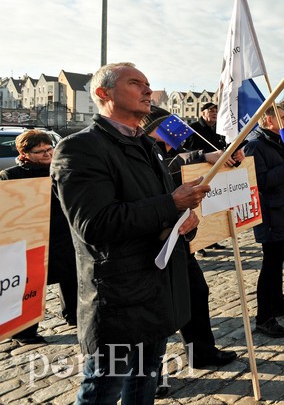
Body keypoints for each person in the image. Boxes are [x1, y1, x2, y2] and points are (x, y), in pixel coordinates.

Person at [50, 62, 209, 404]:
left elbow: (158, 211)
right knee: (101, 392)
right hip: (118, 299)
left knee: (144, 386)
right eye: (136, 83)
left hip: (156, 290)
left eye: (148, 84)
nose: (148, 90)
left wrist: (183, 222)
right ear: (103, 93)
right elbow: (95, 224)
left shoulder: (145, 146)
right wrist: (171, 204)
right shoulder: (80, 149)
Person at [139, 107, 239, 396]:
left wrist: (211, 157)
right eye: (168, 128)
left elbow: (175, 162)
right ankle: (149, 376)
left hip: (178, 241)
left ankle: (202, 352)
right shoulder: (143, 151)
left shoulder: (164, 150)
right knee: (154, 311)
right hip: (148, 246)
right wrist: (200, 156)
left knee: (197, 292)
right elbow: (170, 165)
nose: (176, 133)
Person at [1, 130, 78, 345]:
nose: (47, 154)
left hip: (63, 233)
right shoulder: (11, 175)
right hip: (31, 237)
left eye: (49, 149)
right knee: (33, 282)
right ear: (24, 154)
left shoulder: (59, 169)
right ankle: (25, 331)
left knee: (71, 276)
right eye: (40, 151)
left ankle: (73, 314)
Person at [243, 107, 284, 338]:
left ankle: (278, 303)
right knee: (270, 266)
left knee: (278, 260)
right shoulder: (256, 145)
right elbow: (259, 181)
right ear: (269, 120)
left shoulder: (278, 142)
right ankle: (264, 318)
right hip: (271, 215)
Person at [185, 102, 227, 254]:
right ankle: (198, 244)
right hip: (198, 172)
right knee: (199, 209)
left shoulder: (218, 129)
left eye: (216, 110)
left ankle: (212, 239)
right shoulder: (193, 128)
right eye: (211, 110)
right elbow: (186, 150)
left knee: (213, 208)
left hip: (214, 172)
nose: (215, 113)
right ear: (203, 113)